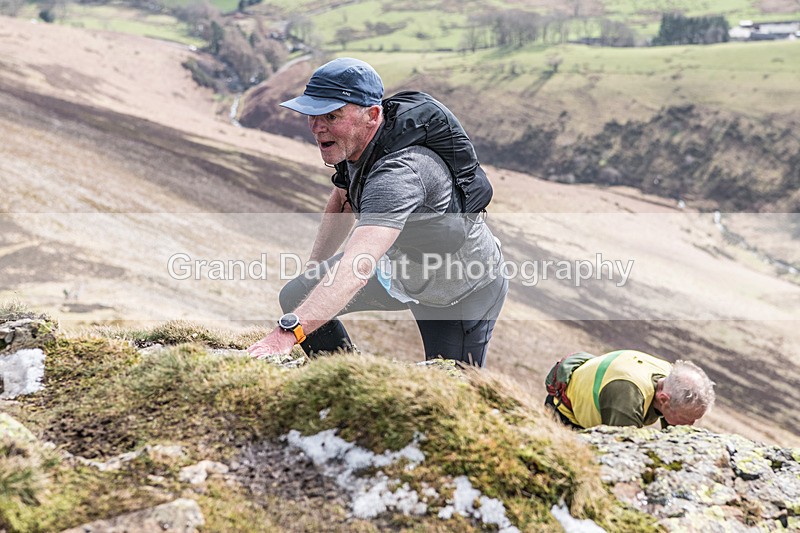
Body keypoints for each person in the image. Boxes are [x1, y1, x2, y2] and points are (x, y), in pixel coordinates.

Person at [247, 57, 507, 367]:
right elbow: (343, 200)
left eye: (331, 115)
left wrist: (286, 334)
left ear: (372, 115)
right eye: (313, 115)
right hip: (400, 270)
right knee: (299, 298)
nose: (317, 127)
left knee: (452, 384)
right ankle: (344, 379)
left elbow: (358, 266)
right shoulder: (355, 142)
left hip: (459, 290)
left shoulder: (398, 175)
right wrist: (314, 272)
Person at [544, 350, 715, 429]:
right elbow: (617, 448)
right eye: (688, 418)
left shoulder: (669, 375)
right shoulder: (626, 398)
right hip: (564, 417)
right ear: (663, 399)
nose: (692, 425)